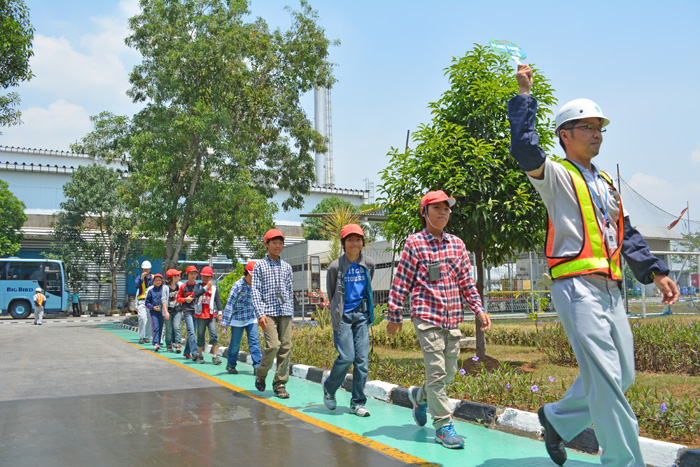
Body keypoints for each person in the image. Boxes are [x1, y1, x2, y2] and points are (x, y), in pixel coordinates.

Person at [508, 64, 679, 467]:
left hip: (612, 290)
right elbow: (524, 150)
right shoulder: (554, 174)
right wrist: (525, 98)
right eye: (586, 126)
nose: (597, 132)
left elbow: (627, 234)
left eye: (600, 126)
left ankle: (557, 418)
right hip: (576, 289)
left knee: (623, 376)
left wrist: (657, 272)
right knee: (606, 382)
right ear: (565, 134)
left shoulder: (606, 184)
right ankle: (623, 461)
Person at [387, 190, 491, 449]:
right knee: (436, 373)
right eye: (437, 208)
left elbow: (467, 282)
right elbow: (401, 282)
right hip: (427, 318)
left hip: (452, 319)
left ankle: (419, 397)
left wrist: (478, 309)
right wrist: (395, 315)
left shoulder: (457, 244)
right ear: (425, 212)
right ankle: (443, 426)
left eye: (446, 208)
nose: (443, 212)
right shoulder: (414, 243)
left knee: (448, 375)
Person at [322, 224, 375, 417]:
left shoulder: (368, 264)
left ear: (363, 243)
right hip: (343, 317)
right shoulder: (336, 266)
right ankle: (329, 387)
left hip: (361, 316)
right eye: (350, 240)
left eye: (358, 239)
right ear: (343, 243)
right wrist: (337, 311)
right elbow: (332, 291)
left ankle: (357, 403)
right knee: (347, 357)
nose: (355, 243)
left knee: (362, 361)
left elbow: (368, 287)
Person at [252, 228, 294, 399]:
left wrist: (291, 312)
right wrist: (260, 313)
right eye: (274, 243)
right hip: (267, 311)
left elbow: (290, 290)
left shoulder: (287, 267)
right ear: (266, 244)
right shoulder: (259, 266)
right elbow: (255, 290)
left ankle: (280, 383)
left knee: (285, 347)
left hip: (285, 312)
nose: (278, 246)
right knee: (273, 346)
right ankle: (261, 374)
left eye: (280, 243)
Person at [221, 261, 261, 375]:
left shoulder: (257, 285)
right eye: (251, 276)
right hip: (237, 319)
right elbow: (230, 303)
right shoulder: (238, 285)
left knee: (254, 342)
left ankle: (257, 366)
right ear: (246, 273)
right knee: (235, 344)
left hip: (251, 317)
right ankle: (231, 365)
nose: (253, 278)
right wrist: (225, 321)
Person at [177, 265, 209, 362]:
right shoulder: (183, 286)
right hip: (187, 311)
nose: (193, 276)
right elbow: (178, 299)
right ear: (187, 275)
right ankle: (195, 353)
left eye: (195, 274)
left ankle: (187, 351)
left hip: (196, 311)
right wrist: (185, 299)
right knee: (191, 331)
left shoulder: (198, 286)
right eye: (191, 274)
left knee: (192, 332)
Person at [194, 265, 223, 364]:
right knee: (200, 336)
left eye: (207, 277)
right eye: (203, 276)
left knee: (214, 335)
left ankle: (215, 357)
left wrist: (220, 313)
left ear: (211, 277)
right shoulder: (198, 286)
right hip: (201, 315)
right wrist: (206, 287)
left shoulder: (214, 288)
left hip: (211, 315)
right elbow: (197, 294)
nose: (205, 278)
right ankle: (200, 356)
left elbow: (218, 301)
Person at [162, 269, 183, 353]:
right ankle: (169, 345)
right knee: (169, 329)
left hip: (177, 309)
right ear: (173, 277)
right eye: (177, 275)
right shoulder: (165, 288)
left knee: (177, 327)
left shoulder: (180, 285)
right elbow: (163, 300)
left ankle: (178, 344)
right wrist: (166, 312)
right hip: (168, 310)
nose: (179, 277)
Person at [135, 260, 154, 344]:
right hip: (142, 301)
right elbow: (137, 286)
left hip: (151, 302)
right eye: (144, 269)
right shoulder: (139, 277)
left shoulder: (154, 277)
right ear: (142, 269)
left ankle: (147, 336)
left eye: (147, 269)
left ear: (150, 269)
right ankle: (142, 337)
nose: (146, 271)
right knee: (143, 318)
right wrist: (141, 279)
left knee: (149, 320)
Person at [145, 273, 165, 351]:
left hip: (162, 311)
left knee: (160, 327)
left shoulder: (164, 290)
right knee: (156, 327)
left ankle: (159, 342)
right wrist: (153, 307)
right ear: (153, 282)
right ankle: (155, 342)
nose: (158, 282)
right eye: (156, 280)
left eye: (159, 280)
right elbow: (147, 302)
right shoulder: (151, 291)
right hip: (154, 312)